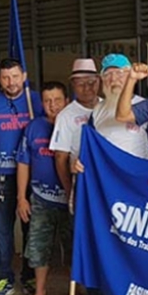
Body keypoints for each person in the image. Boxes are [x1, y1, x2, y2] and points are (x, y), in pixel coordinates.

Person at [70, 53, 148, 295]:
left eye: (120, 73)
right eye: (109, 74)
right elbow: (88, 150)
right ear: (102, 80)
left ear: (131, 76)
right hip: (104, 195)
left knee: (136, 250)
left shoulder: (144, 107)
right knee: (103, 247)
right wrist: (78, 163)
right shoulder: (97, 112)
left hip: (136, 194)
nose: (114, 79)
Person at [0, 58, 43, 295]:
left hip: (32, 174)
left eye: (15, 76)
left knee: (30, 228)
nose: (11, 82)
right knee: (1, 229)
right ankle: (4, 275)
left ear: (23, 76)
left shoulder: (36, 100)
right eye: (5, 77)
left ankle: (29, 275)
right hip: (2, 175)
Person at [15, 82, 70, 295]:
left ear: (66, 101)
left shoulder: (76, 124)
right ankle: (39, 293)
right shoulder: (33, 127)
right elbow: (23, 163)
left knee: (75, 248)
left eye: (57, 100)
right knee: (38, 247)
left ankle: (81, 293)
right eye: (47, 101)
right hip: (40, 199)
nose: (52, 105)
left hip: (70, 200)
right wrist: (21, 197)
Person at [50, 58, 102, 203]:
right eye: (80, 84)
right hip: (82, 180)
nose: (87, 88)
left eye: (91, 83)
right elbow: (60, 158)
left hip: (106, 179)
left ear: (98, 81)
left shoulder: (108, 108)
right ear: (73, 85)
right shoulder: (66, 116)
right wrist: (69, 190)